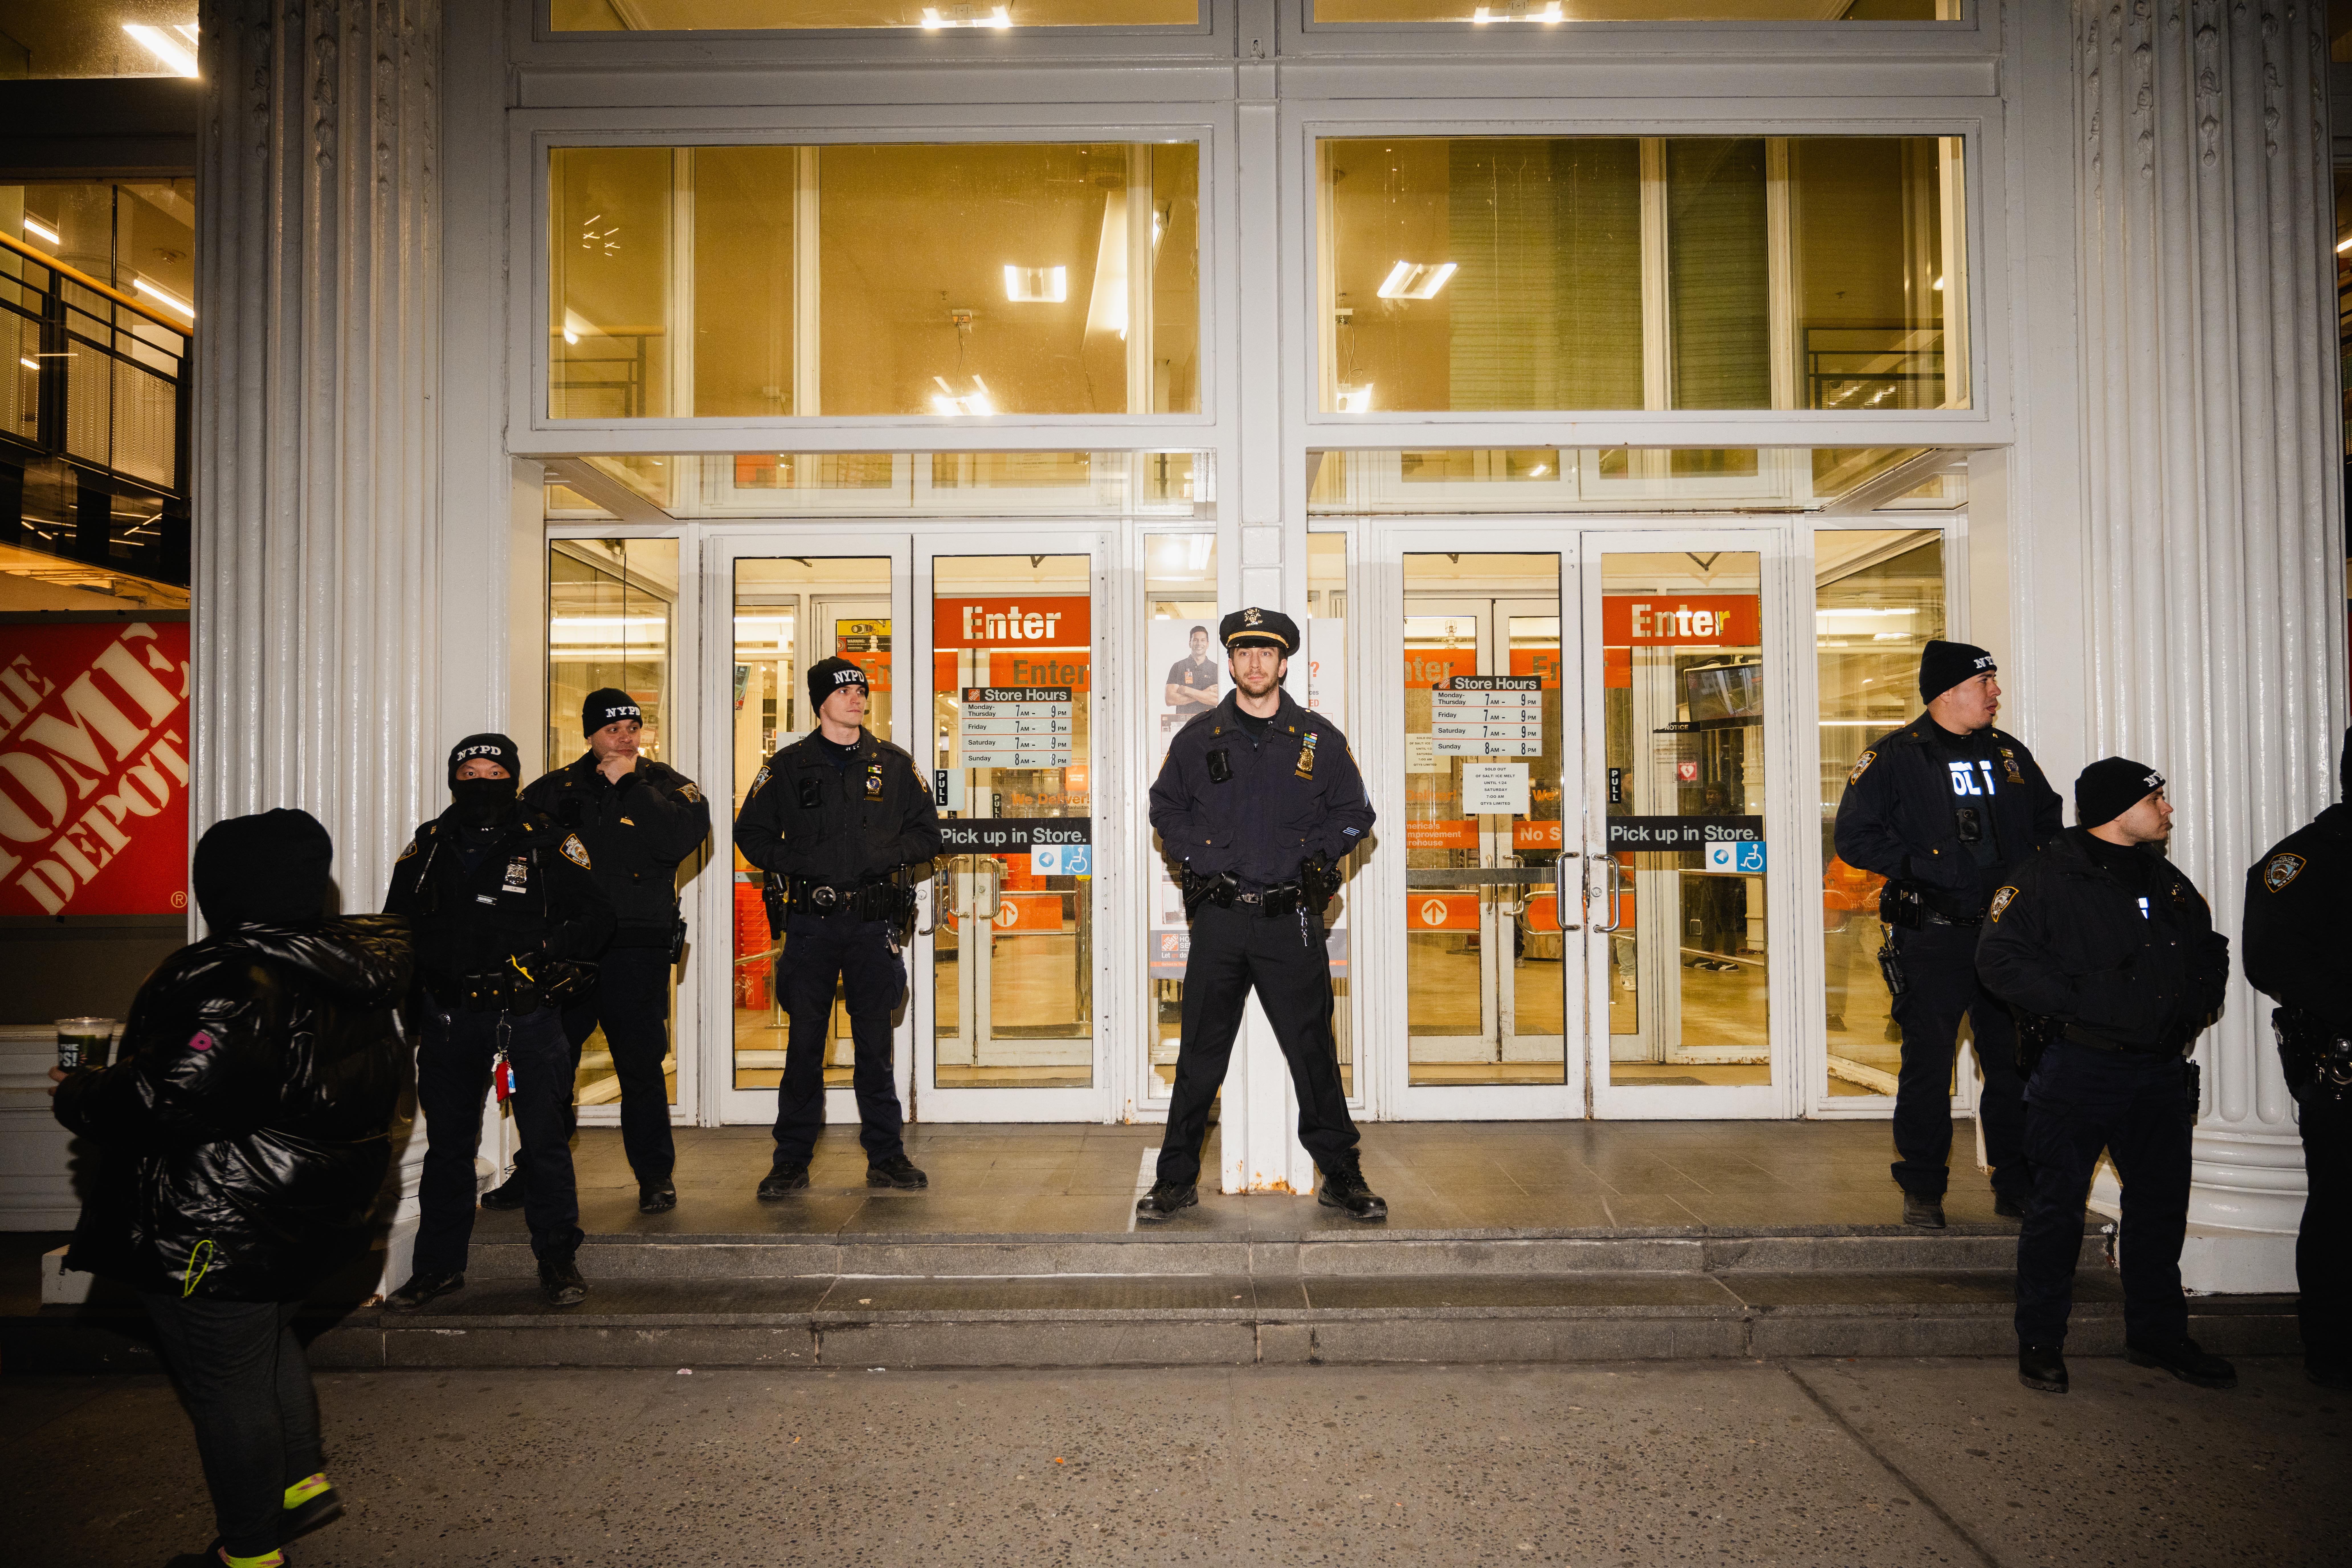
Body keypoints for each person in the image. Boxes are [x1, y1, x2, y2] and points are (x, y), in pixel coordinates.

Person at [50, 809, 410, 1568]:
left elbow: (173, 1097)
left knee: (225, 1381)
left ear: (224, 886)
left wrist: (82, 1092)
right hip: (301, 1213)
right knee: (263, 1343)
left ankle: (247, 1554)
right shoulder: (347, 969)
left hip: (222, 1217)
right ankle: (300, 1483)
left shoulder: (228, 975)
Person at [1977, 758, 2234, 1396]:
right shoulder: (2045, 877)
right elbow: (1999, 961)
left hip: (2158, 1073)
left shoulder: (2166, 879)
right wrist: (2080, 1003)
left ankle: (2158, 1334)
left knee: (2159, 1209)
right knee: (2057, 1212)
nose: (2167, 809)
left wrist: (2196, 1003)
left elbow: (2209, 947)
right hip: (2079, 1068)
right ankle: (2040, 1341)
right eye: (2158, 799)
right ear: (2120, 809)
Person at [1139, 606, 1385, 1223]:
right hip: (1221, 919)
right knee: (1199, 1055)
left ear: (1283, 663)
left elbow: (1357, 813)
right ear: (1229, 661)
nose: (1255, 663)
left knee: (1313, 1053)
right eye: (1244, 653)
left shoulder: (1318, 740)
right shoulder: (1197, 741)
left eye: (1266, 653)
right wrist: (1202, 853)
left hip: (1290, 919)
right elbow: (1163, 808)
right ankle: (1175, 1180)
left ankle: (1343, 1175)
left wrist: (1311, 855)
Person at [381, 734, 614, 1311]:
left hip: (527, 1017)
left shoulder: (548, 840)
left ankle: (558, 1262)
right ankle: (438, 1268)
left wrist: (547, 951)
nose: (481, 781)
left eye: (493, 771)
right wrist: (406, 1012)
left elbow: (596, 917)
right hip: (449, 1017)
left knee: (545, 1144)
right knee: (448, 1147)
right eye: (470, 772)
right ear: (454, 778)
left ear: (511, 776)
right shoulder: (430, 845)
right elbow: (397, 926)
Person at [1834, 640, 2063, 1227]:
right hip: (1933, 937)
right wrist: (1928, 863)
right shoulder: (1894, 758)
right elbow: (1855, 839)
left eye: (1993, 682)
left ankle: (2016, 1184)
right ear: (1946, 693)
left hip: (2007, 941)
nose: (1996, 693)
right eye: (1984, 683)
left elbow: (2048, 827)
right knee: (1929, 1066)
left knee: (2014, 1065)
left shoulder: (2010, 756)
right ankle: (1924, 1188)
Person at [736, 656, 939, 1196]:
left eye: (861, 689)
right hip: (810, 925)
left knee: (875, 1045)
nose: (856, 697)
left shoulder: (894, 764)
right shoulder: (786, 766)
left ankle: (887, 1156)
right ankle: (790, 1161)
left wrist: (884, 853)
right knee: (804, 1045)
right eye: (845, 690)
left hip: (873, 924)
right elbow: (750, 834)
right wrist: (804, 860)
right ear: (820, 702)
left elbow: (929, 834)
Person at [503, 688, 711, 1215]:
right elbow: (521, 864)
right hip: (568, 954)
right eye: (613, 729)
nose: (625, 736)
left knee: (640, 1070)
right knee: (551, 1069)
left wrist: (631, 784)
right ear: (590, 734)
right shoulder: (550, 792)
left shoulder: (669, 787)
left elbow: (675, 842)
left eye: (633, 727)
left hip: (636, 953)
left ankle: (654, 1176)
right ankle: (534, 1171)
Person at [2241, 727, 2352, 1390]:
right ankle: (2332, 1348)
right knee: (2340, 1206)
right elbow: (2271, 961)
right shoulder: (2304, 860)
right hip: (2341, 1066)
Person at [1164, 623, 1220, 714]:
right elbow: (1170, 700)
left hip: (1209, 723)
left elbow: (1217, 700)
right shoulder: (1178, 667)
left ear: (1208, 644)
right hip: (1185, 724)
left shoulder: (1216, 669)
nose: (1199, 644)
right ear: (1190, 643)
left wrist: (1187, 691)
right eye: (1195, 640)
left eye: (1203, 640)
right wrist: (1206, 693)